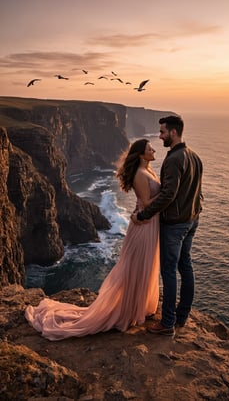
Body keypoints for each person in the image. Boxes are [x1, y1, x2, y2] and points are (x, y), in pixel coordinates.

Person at [25, 139, 161, 341]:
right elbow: (147, 202)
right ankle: (130, 310)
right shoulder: (140, 175)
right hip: (144, 225)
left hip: (149, 223)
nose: (154, 150)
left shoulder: (148, 170)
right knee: (137, 265)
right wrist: (170, 195)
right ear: (141, 154)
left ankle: (139, 305)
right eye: (150, 148)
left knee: (146, 265)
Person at [132, 115, 203, 336]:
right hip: (191, 220)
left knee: (169, 271)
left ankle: (168, 323)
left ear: (173, 132)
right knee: (186, 267)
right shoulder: (194, 156)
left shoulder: (174, 159)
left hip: (175, 224)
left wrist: (144, 214)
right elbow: (198, 191)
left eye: (162, 132)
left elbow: (168, 195)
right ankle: (181, 316)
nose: (160, 135)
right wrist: (196, 211)